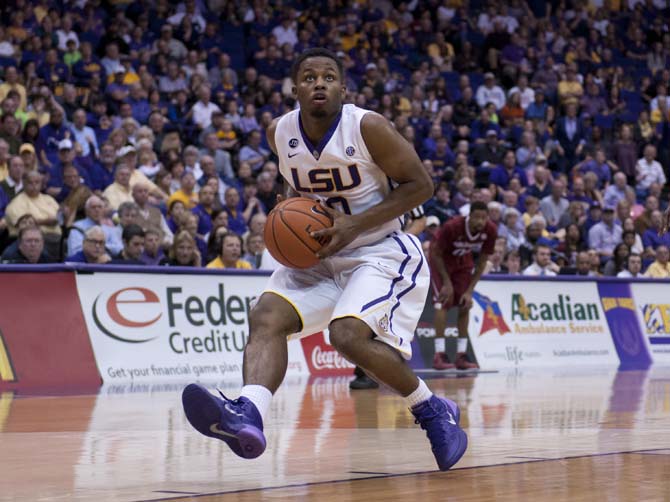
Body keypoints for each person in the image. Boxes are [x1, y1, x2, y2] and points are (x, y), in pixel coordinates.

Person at [181, 49, 467, 472]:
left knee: (346, 337)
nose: (320, 83)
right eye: (310, 77)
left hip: (379, 251)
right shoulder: (279, 132)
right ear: (295, 88)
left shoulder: (368, 127)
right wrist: (289, 213)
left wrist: (353, 225)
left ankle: (431, 410)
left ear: (342, 88)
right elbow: (296, 186)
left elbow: (421, 185)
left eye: (329, 77)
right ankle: (250, 412)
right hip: (320, 254)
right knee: (265, 316)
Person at [430, 200, 497, 371]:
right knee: (442, 302)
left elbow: (482, 262)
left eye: (484, 218)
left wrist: (469, 291)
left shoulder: (490, 230)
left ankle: (461, 354)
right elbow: (436, 254)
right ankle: (439, 354)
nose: (480, 222)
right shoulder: (452, 227)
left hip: (462, 260)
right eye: (477, 217)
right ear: (469, 216)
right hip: (440, 259)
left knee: (465, 304)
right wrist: (446, 282)